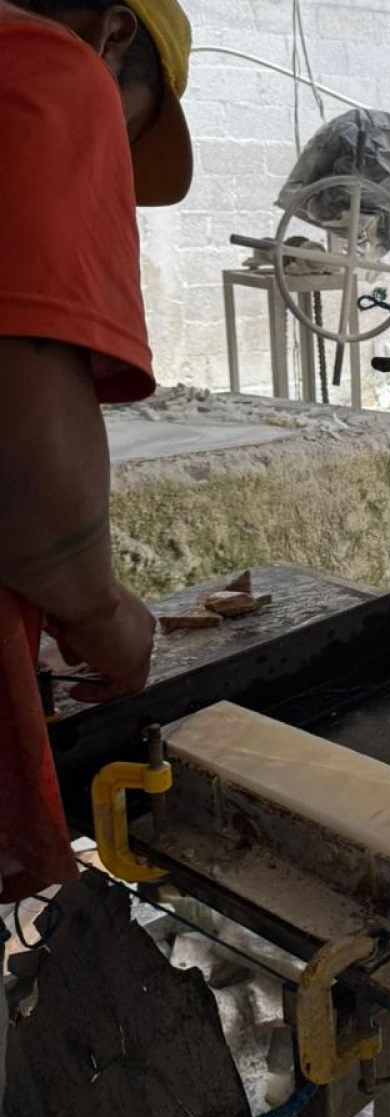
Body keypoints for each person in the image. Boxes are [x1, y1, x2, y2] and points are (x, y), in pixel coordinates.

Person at [0, 0, 193, 912]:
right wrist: (97, 612)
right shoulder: (44, 66)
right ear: (113, 34)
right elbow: (18, 408)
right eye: (129, 130)